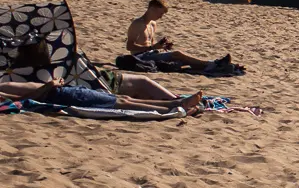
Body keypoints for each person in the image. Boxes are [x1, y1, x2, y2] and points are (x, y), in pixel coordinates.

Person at [123, 0, 226, 74]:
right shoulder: (137, 24)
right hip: (140, 57)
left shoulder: (153, 24)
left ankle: (211, 66)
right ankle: (210, 64)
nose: (161, 17)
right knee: (177, 54)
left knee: (181, 60)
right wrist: (152, 48)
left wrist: (162, 46)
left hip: (151, 53)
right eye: (160, 13)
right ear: (152, 9)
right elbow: (129, 47)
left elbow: (150, 44)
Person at [0, 77, 204, 114]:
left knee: (126, 99)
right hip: (63, 96)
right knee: (120, 102)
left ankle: (175, 103)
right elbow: (23, 101)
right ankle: (177, 107)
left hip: (66, 92)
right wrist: (50, 85)